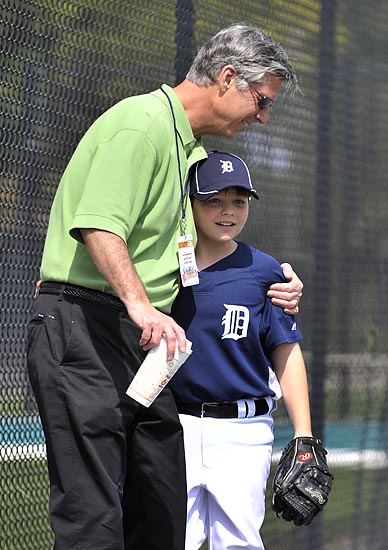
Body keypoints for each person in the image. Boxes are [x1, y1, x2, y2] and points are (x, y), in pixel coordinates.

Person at [26, 24, 303, 550]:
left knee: (159, 505)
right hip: (85, 327)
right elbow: (99, 224)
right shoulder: (141, 123)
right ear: (228, 78)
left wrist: (277, 284)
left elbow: (209, 251)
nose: (264, 116)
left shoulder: (191, 151)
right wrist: (139, 304)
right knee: (93, 517)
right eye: (262, 100)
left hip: (142, 344)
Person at [169, 151, 313, 550]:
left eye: (239, 201)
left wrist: (303, 435)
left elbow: (286, 351)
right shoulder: (164, 264)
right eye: (213, 200)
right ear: (191, 203)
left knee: (239, 542)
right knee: (171, 538)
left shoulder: (265, 271)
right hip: (174, 425)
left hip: (243, 432)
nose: (227, 211)